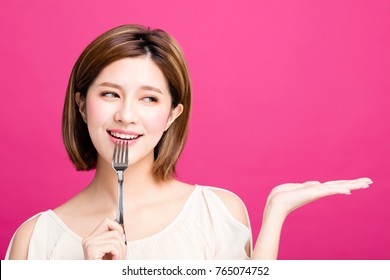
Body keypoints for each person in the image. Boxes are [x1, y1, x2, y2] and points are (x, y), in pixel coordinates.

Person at [5, 24, 373, 260]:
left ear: (172, 115)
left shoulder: (215, 214)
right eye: (110, 94)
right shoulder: (34, 240)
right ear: (82, 105)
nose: (127, 115)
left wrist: (275, 214)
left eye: (149, 98)